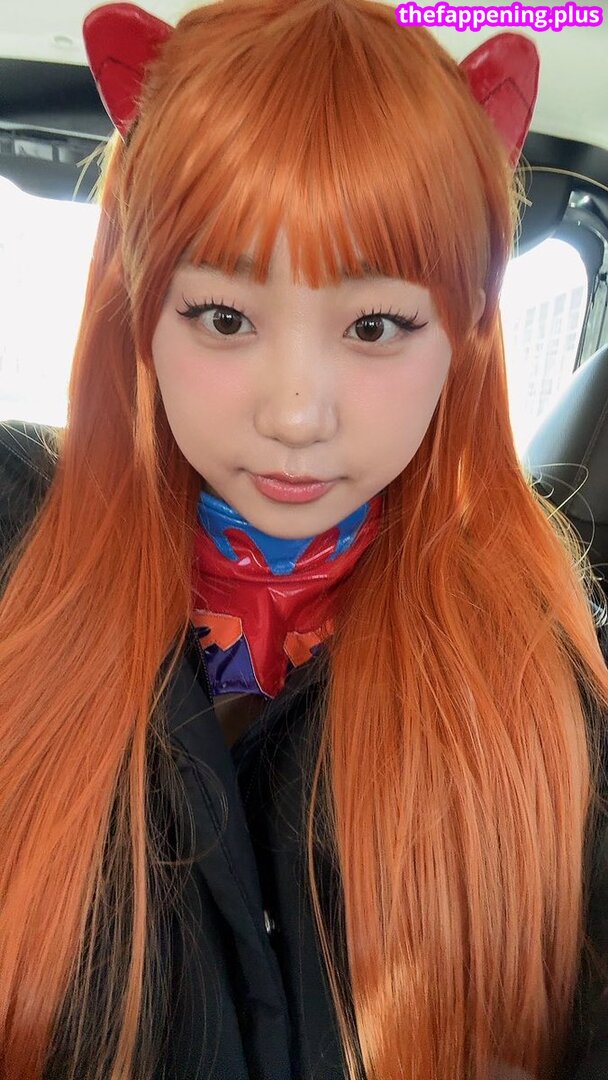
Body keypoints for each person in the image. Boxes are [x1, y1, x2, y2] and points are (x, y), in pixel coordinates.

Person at [0, 1, 606, 1077]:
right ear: (141, 308)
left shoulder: (543, 676)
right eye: (224, 317)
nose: (294, 415)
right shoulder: (19, 561)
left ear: (463, 334)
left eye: (374, 326)